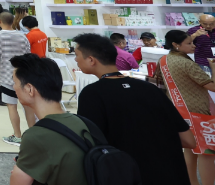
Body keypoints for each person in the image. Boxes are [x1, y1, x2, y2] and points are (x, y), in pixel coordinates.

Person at [74, 33, 193, 185]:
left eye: (77, 55)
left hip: (128, 175)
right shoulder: (150, 89)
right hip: (171, 174)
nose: (75, 60)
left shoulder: (92, 94)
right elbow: (189, 140)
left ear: (91, 60)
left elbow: (91, 145)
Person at [9, 53, 95, 185]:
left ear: (30, 89)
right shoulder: (84, 123)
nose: (14, 87)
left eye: (15, 82)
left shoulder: (35, 136)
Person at [161, 30, 215, 185]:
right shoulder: (186, 63)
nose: (193, 46)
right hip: (197, 112)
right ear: (176, 45)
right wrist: (213, 68)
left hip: (179, 110)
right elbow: (213, 86)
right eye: (189, 43)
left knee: (190, 149)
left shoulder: (164, 60)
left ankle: (192, 182)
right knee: (207, 152)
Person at [0, 11, 32, 146]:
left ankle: (17, 136)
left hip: (7, 76)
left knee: (12, 106)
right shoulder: (22, 36)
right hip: (24, 76)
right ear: (13, 22)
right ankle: (34, 136)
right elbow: (28, 55)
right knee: (28, 107)